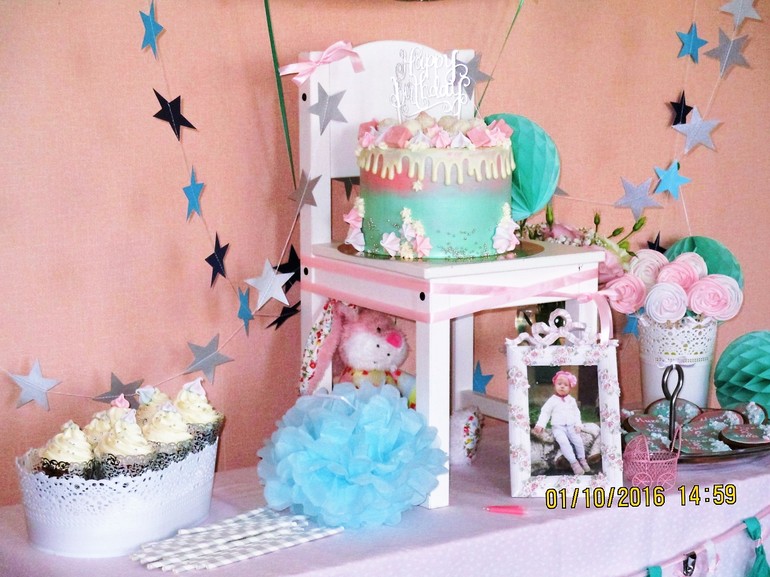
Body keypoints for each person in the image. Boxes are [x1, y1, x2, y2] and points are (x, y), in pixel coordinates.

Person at [533, 370, 591, 475]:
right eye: (559, 384)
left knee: (578, 441)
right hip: (558, 427)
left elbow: (576, 413)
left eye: (565, 385)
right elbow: (545, 412)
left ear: (570, 388)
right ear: (555, 385)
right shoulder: (552, 400)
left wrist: (578, 424)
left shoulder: (571, 400)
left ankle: (582, 460)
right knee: (563, 442)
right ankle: (574, 463)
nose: (562, 386)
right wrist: (540, 425)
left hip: (572, 426)